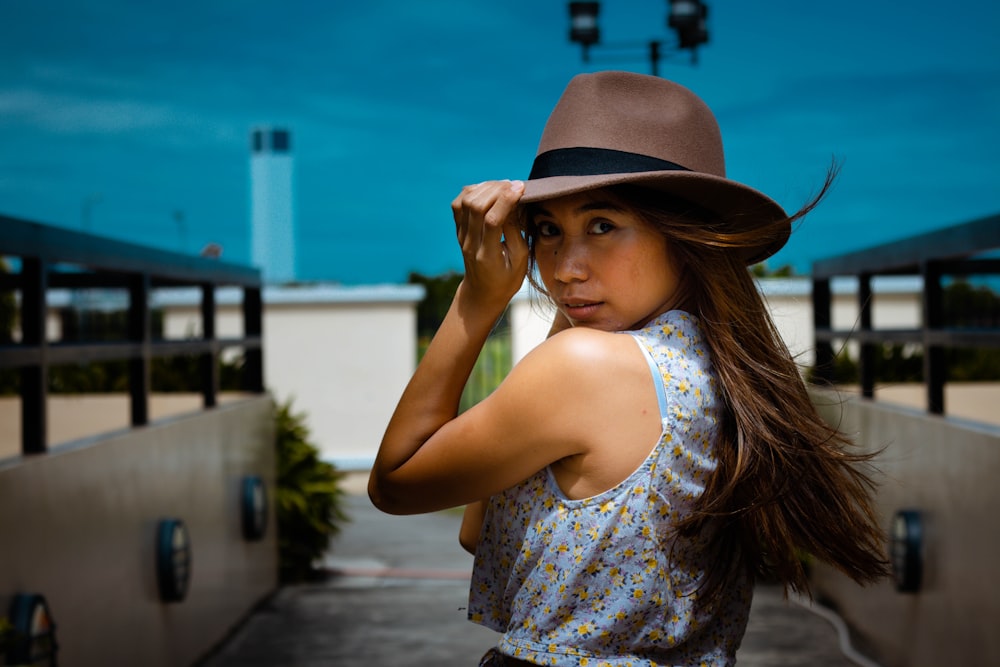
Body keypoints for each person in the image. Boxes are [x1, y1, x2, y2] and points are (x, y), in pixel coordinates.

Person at [369, 71, 888, 666]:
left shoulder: (587, 368)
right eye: (546, 231)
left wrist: (478, 298)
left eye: (602, 225)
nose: (565, 267)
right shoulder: (720, 369)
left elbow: (395, 482)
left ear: (684, 234)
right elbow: (481, 531)